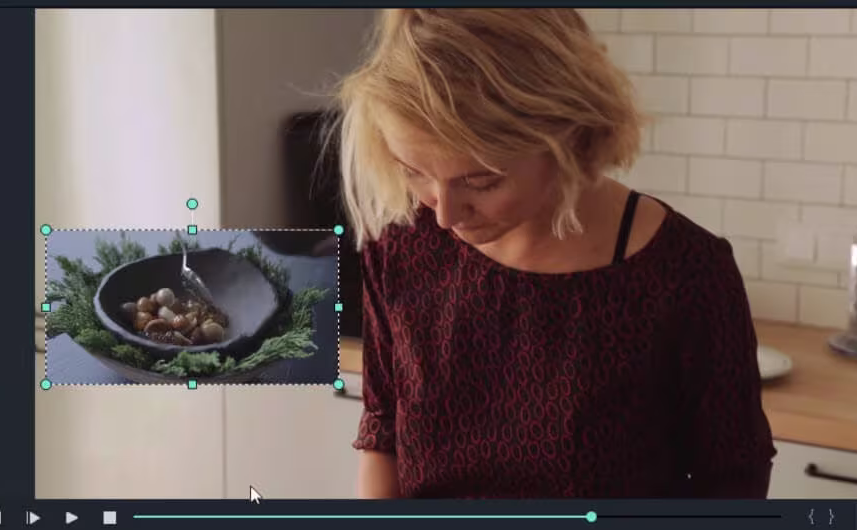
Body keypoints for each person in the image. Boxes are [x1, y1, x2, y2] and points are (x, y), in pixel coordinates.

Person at [331, 8, 776, 499]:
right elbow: (383, 428)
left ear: (568, 137)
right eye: (414, 171)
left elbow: (733, 479)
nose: (445, 215)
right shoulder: (401, 246)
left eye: (481, 181)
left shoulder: (686, 273)